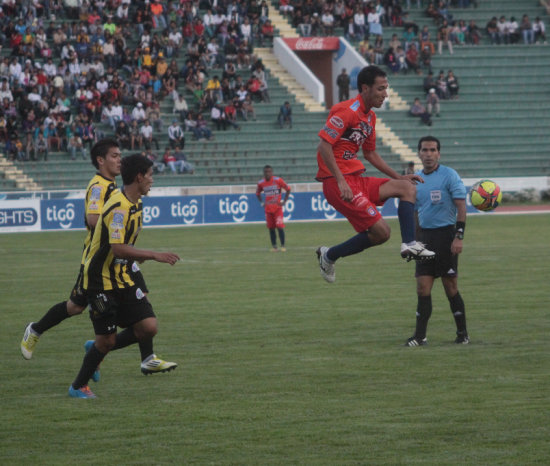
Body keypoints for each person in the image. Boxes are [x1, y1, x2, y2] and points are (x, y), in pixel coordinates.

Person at [21, 139, 176, 380]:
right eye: (114, 156)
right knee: (75, 307)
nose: (119, 159)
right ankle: (37, 329)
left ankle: (147, 358)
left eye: (120, 156)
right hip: (99, 260)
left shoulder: (117, 187)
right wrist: (114, 221)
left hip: (119, 257)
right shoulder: (98, 186)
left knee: (141, 299)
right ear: (101, 161)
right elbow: (93, 220)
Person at [68, 154, 180, 399]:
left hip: (120, 274)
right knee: (106, 341)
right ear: (139, 177)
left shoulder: (135, 202)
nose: (152, 180)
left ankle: (96, 348)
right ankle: (78, 386)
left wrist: (136, 256)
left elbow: (123, 245)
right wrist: (153, 255)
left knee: (148, 326)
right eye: (150, 175)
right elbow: (118, 247)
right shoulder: (119, 205)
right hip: (99, 281)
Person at [315, 66, 435, 284]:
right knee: (382, 232)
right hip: (337, 182)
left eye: (386, 88)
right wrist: (341, 180)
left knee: (407, 188)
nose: (385, 94)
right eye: (381, 89)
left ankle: (409, 243)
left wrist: (399, 176)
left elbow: (370, 153)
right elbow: (324, 145)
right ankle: (329, 255)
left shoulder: (370, 118)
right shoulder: (346, 111)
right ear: (365, 88)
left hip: (357, 179)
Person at [405, 136, 469, 346]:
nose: (429, 154)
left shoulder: (449, 175)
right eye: (425, 150)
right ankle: (420, 336)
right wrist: (411, 241)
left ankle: (462, 335)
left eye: (433, 150)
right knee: (422, 288)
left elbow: (461, 206)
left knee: (450, 287)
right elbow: (415, 213)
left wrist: (458, 236)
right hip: (425, 238)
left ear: (439, 154)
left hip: (446, 236)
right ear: (419, 153)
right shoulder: (415, 180)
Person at [256, 165, 291, 252]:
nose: (267, 173)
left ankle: (283, 246)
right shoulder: (261, 183)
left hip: (277, 208)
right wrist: (262, 203)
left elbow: (288, 189)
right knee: (271, 228)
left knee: (279, 226)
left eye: (269, 172)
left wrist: (284, 201)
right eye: (266, 172)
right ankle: (274, 247)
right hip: (268, 209)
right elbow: (257, 193)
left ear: (272, 172)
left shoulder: (278, 180)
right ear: (263, 173)